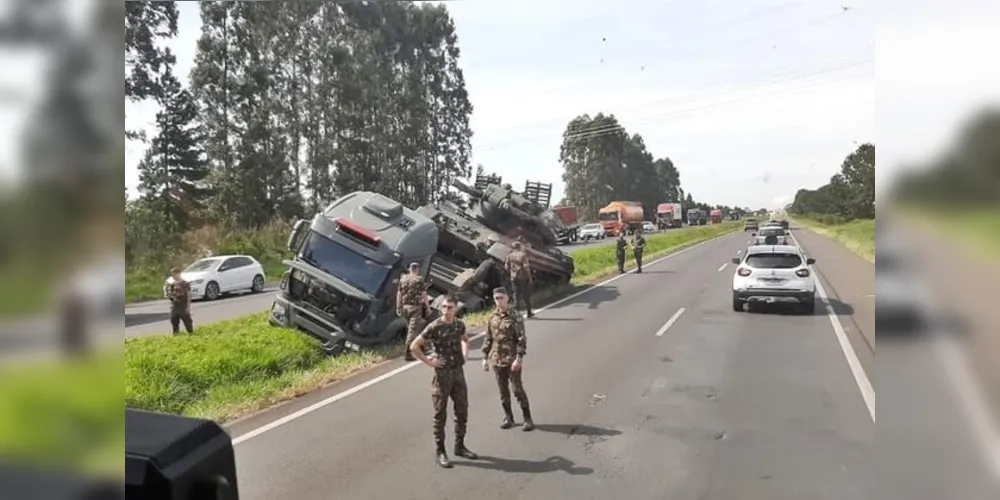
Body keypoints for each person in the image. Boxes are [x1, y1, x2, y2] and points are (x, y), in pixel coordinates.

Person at [410, 295, 479, 468]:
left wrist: (465, 354)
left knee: (462, 411)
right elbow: (414, 346)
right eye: (444, 307)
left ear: (455, 308)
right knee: (440, 415)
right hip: (442, 377)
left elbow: (465, 339)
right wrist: (428, 361)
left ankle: (460, 446)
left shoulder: (459, 324)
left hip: (458, 374)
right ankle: (440, 452)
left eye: (450, 307)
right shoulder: (434, 327)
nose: (446, 310)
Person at [481, 287, 534, 431]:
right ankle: (508, 417)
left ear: (507, 298)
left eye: (501, 298)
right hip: (497, 360)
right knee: (502, 391)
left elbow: (521, 339)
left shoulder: (515, 316)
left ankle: (527, 419)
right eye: (496, 298)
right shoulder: (492, 317)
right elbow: (488, 338)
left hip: (512, 359)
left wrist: (519, 358)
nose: (499, 301)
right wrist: (485, 357)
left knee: (517, 389)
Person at [397, 262, 426, 362]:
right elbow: (424, 294)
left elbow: (399, 294)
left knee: (414, 327)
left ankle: (421, 347)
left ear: (409, 269)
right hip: (415, 308)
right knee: (412, 330)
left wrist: (398, 307)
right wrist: (428, 307)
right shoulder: (419, 279)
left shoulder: (403, 279)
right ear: (417, 269)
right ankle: (407, 353)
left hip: (405, 307)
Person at [505, 241, 534, 318]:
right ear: (519, 247)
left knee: (516, 295)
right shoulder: (523, 255)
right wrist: (529, 276)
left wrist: (512, 271)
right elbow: (526, 267)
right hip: (523, 277)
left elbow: (506, 267)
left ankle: (517, 314)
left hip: (513, 277)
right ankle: (529, 312)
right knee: (526, 295)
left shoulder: (509, 256)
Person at [165, 267, 194, 334]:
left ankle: (191, 333)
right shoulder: (173, 284)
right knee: (173, 320)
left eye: (174, 275)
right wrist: (170, 298)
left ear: (179, 274)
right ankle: (176, 334)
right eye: (172, 275)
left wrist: (188, 307)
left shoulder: (185, 283)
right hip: (175, 305)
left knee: (187, 321)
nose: (173, 276)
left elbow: (189, 295)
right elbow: (171, 294)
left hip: (183, 305)